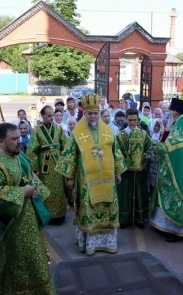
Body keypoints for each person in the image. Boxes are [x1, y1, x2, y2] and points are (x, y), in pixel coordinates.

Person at [0, 123, 56, 294]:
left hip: (30, 220)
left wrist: (37, 191)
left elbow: (31, 178)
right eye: (13, 139)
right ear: (0, 141)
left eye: (19, 138)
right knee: (19, 263)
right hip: (11, 227)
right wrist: (22, 192)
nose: (19, 142)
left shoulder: (19, 156)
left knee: (36, 260)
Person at [55, 93, 127, 255]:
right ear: (85, 114)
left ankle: (108, 243)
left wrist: (118, 172)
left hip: (108, 180)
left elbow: (115, 152)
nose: (93, 116)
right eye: (89, 113)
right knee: (88, 209)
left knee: (109, 208)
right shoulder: (77, 132)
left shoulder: (107, 130)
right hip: (86, 181)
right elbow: (69, 156)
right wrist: (70, 177)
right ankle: (90, 244)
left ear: (99, 113)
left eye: (95, 113)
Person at [149, 98, 183, 242]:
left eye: (170, 111)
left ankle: (177, 230)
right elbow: (166, 139)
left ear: (175, 112)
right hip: (175, 170)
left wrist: (155, 147)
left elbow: (166, 148)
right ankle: (164, 225)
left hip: (176, 173)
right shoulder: (178, 127)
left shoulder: (180, 131)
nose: (168, 114)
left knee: (175, 196)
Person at [26, 105, 68, 224]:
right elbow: (32, 150)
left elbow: (65, 147)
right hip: (45, 166)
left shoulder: (59, 129)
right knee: (45, 189)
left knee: (59, 189)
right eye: (49, 115)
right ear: (42, 115)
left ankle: (59, 215)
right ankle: (47, 215)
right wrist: (35, 168)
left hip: (58, 164)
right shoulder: (36, 130)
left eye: (52, 115)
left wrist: (65, 164)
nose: (51, 118)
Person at [116, 108, 152, 229]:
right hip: (125, 171)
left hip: (140, 170)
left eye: (135, 120)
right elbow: (117, 153)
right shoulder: (120, 135)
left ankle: (139, 218)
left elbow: (149, 149)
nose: (133, 123)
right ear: (126, 119)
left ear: (138, 120)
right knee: (125, 194)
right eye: (130, 120)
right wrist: (122, 164)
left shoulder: (143, 134)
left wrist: (142, 159)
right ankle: (124, 219)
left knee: (139, 193)